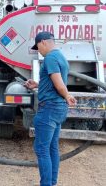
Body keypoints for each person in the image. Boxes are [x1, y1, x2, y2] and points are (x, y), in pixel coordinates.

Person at [24, 31, 76, 186]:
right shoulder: (60, 57)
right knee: (52, 147)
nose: (38, 51)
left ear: (44, 42)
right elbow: (54, 81)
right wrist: (38, 84)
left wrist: (67, 95)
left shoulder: (50, 58)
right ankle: (51, 182)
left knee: (41, 149)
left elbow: (59, 84)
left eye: (38, 47)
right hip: (58, 109)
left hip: (49, 109)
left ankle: (46, 184)